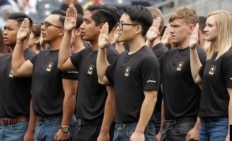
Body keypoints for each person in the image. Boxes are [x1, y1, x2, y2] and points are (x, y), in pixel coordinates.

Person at [11, 10, 78, 141]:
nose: (42, 27)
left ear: (61, 31)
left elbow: (71, 95)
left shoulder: (66, 58)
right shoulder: (41, 56)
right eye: (42, 24)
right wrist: (19, 41)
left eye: (48, 25)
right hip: (40, 123)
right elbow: (17, 70)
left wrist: (64, 127)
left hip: (57, 123)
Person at [97, 5, 160, 140]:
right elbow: (102, 78)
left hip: (136, 129)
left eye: (123, 24)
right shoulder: (123, 56)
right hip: (120, 128)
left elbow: (151, 98)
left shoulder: (148, 59)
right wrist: (102, 49)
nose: (118, 28)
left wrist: (139, 131)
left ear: (137, 28)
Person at [58, 4, 119, 141]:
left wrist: (104, 132)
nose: (82, 26)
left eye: (87, 22)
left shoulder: (111, 55)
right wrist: (68, 32)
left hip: (97, 128)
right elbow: (62, 64)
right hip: (82, 127)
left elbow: (112, 97)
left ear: (101, 26)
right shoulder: (86, 52)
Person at [146, 6, 206, 141]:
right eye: (170, 26)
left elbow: (206, 94)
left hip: (188, 124)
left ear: (191, 28)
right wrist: (161, 129)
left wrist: (197, 127)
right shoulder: (168, 55)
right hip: (168, 125)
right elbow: (165, 94)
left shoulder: (198, 54)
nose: (171, 30)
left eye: (176, 26)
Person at [189, 10, 232, 141]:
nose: (205, 29)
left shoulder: (231, 56)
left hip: (222, 124)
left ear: (223, 28)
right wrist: (192, 49)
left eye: (210, 26)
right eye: (206, 25)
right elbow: (197, 78)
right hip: (207, 124)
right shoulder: (213, 55)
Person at [0, 12, 36, 141]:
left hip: (20, 127)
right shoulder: (3, 60)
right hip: (2, 127)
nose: (5, 32)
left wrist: (31, 131)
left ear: (24, 31)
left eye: (10, 29)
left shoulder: (32, 59)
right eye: (4, 28)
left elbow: (35, 99)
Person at [145, 6, 168, 138]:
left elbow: (165, 94)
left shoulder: (161, 53)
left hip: (155, 117)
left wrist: (161, 130)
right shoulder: (150, 51)